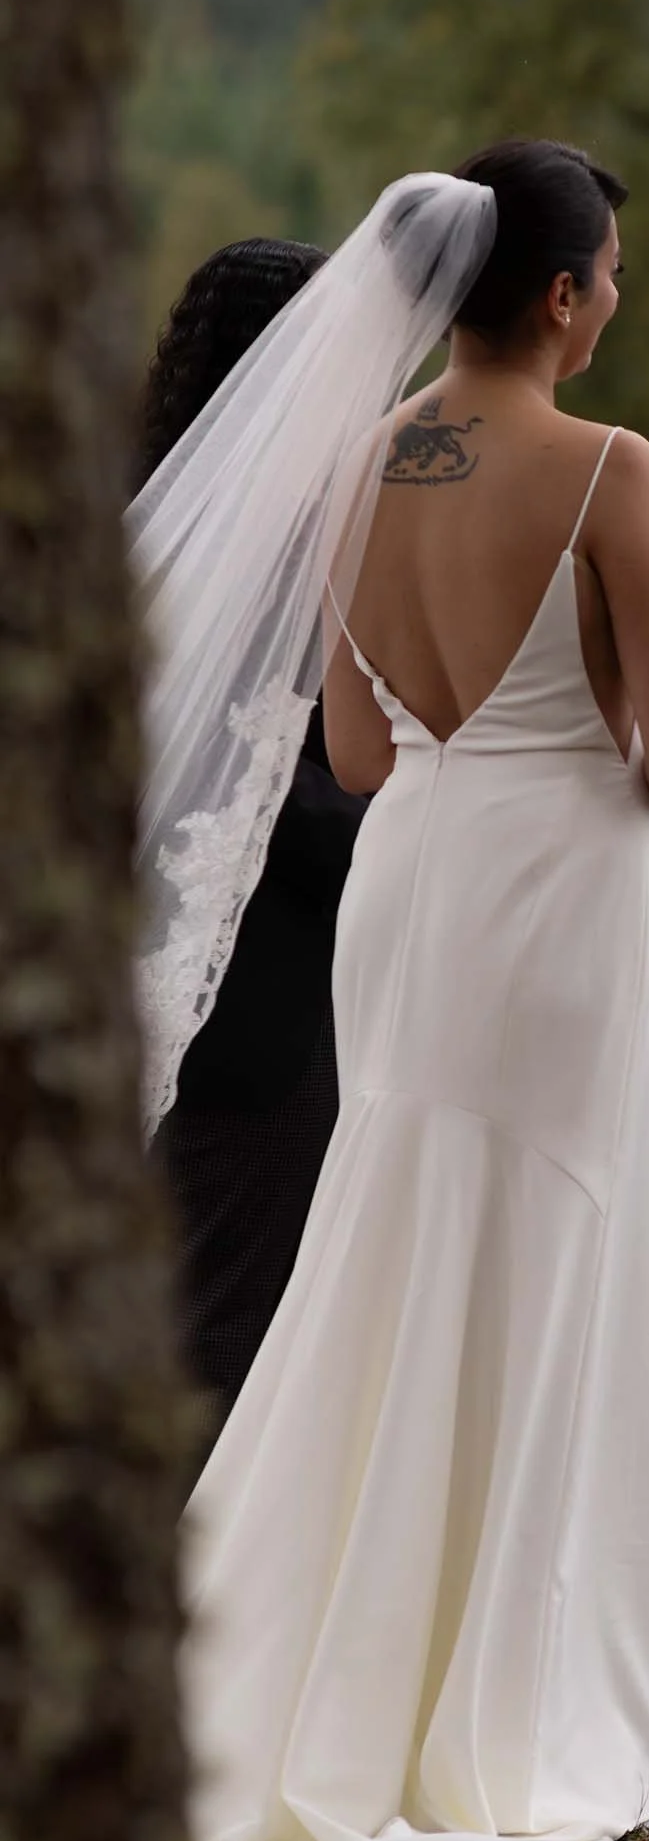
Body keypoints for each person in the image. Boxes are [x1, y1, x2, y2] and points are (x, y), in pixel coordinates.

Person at [134, 141, 649, 1841]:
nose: (612, 302)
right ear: (558, 295)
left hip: (415, 880)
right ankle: (498, 1692)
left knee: (392, 1244)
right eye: (608, 276)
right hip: (555, 894)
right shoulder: (609, 466)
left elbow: (369, 752)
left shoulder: (359, 465)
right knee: (544, 1246)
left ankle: (322, 1662)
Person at [141, 237, 374, 1434]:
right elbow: (282, 787)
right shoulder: (283, 549)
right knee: (230, 1332)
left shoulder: (151, 515)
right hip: (263, 1002)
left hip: (153, 989)